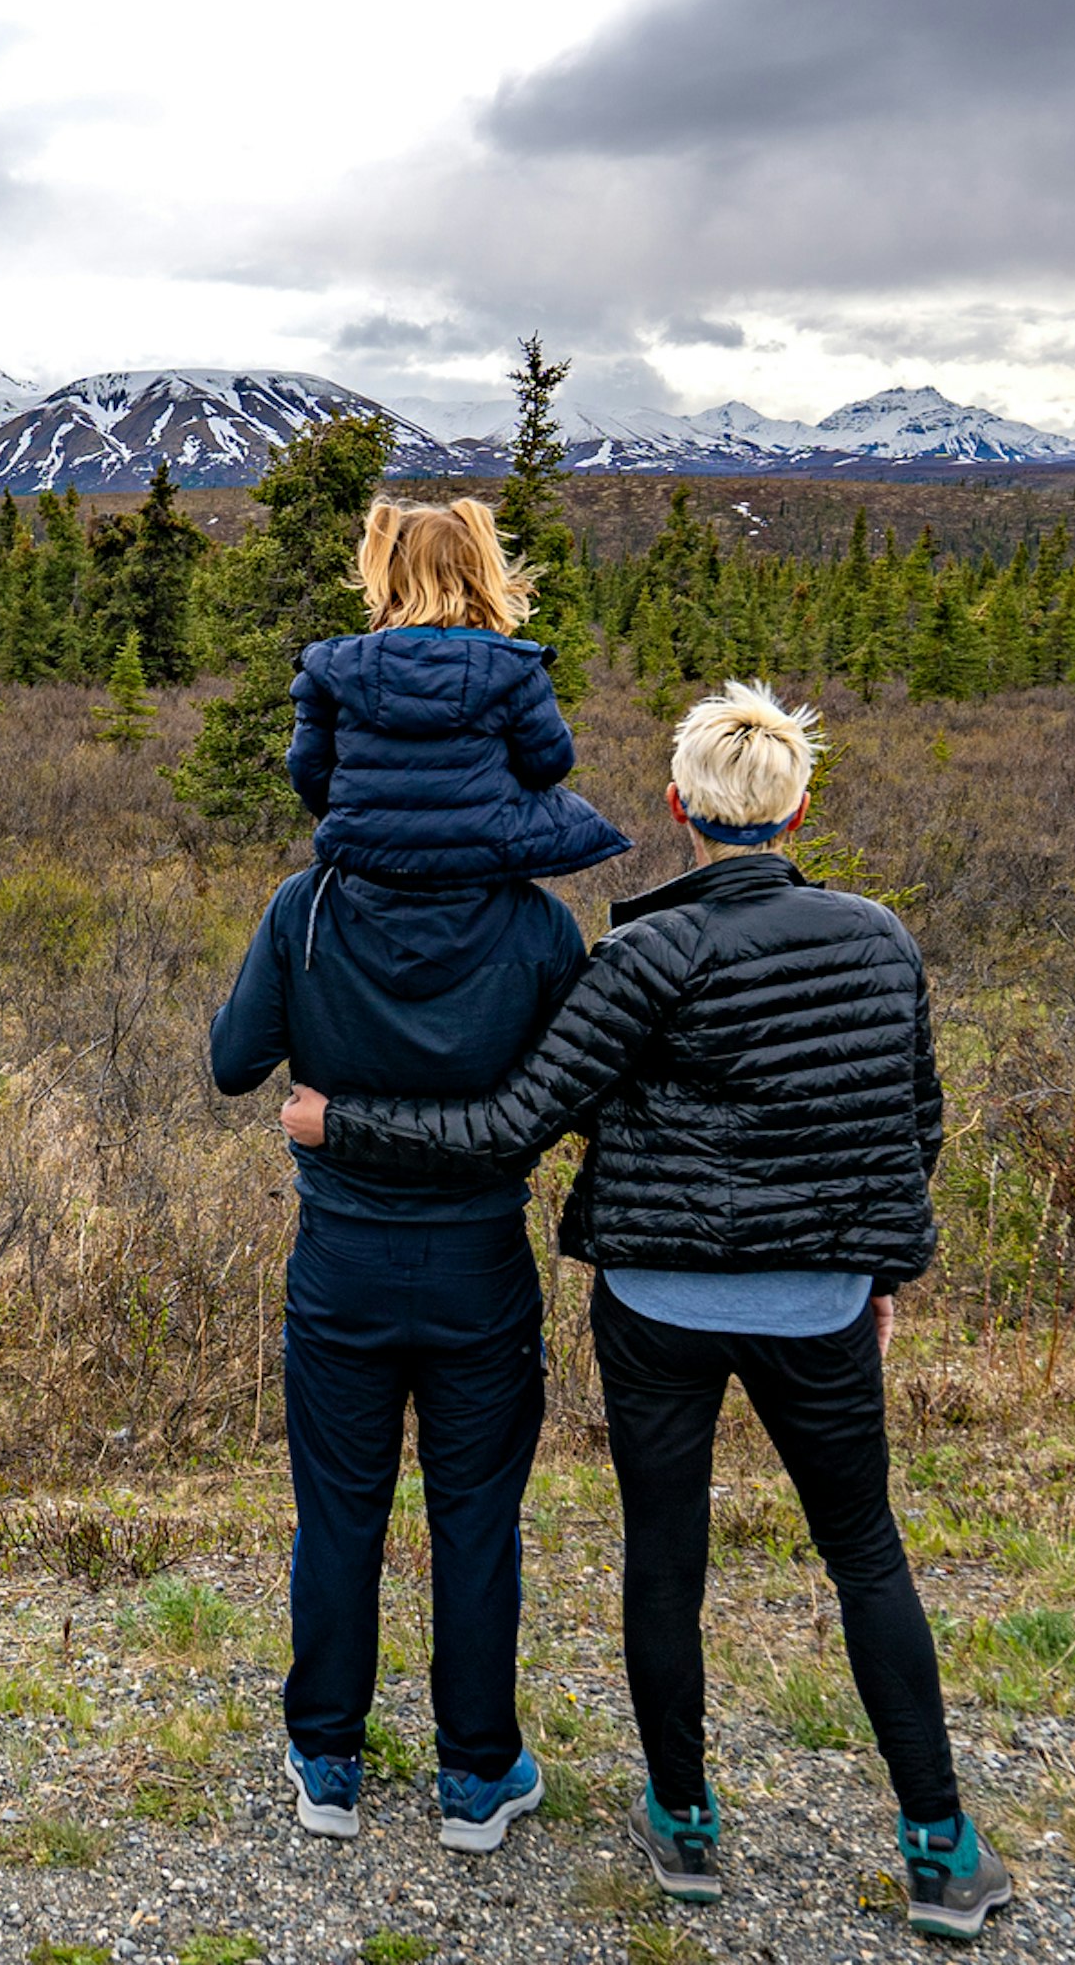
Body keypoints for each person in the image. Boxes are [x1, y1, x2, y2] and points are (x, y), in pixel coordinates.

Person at [285, 681, 1015, 1944]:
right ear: (798, 807)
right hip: (818, 1302)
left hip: (658, 1303)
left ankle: (683, 1825)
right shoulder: (878, 940)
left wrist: (345, 1123)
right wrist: (880, 1269)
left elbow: (517, 1123)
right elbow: (914, 1123)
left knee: (666, 1558)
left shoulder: (641, 956)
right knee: (866, 1554)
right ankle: (940, 1845)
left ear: (680, 807)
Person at [212, 496, 626, 1849]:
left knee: (336, 1513)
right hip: (478, 1265)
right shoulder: (535, 921)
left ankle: (326, 1764)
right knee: (475, 1521)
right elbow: (581, 1097)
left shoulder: (309, 904)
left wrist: (329, 1092)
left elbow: (232, 1062)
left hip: (338, 1256)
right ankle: (475, 1775)